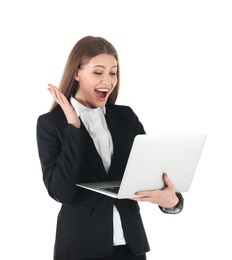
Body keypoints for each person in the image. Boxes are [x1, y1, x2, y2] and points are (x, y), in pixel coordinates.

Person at [36, 35, 184, 260]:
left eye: (113, 72)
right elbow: (62, 192)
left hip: (131, 246)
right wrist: (74, 127)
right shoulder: (51, 124)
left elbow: (150, 172)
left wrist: (173, 202)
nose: (108, 80)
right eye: (98, 72)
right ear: (77, 73)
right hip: (80, 247)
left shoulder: (125, 117)